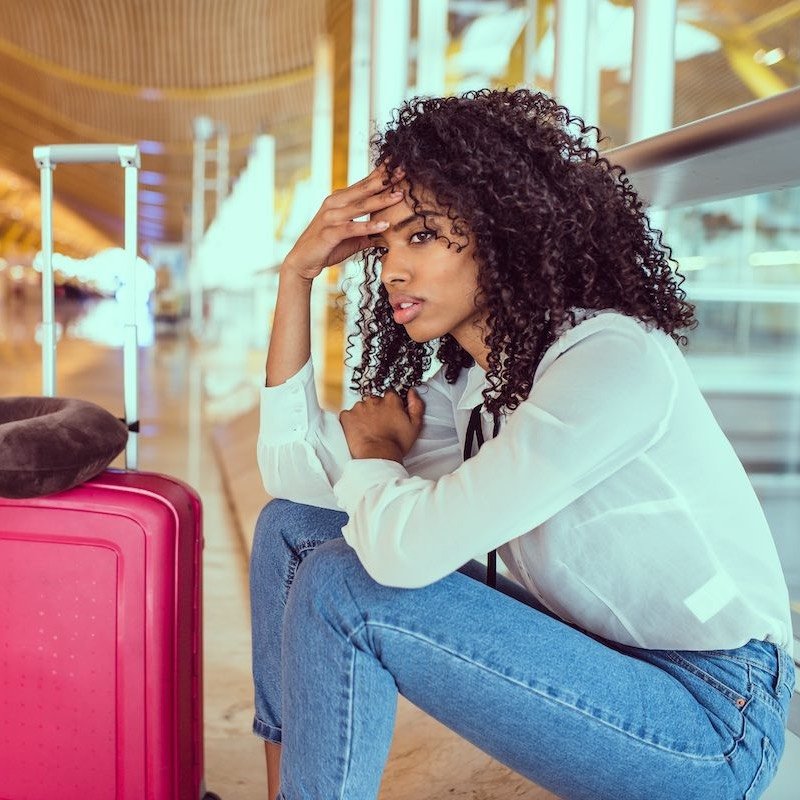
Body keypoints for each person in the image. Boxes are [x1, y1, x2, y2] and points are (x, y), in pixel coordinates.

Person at [250, 88, 794, 800]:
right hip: (602, 667)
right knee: (293, 531)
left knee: (346, 583)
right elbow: (291, 475)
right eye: (381, 248)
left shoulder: (610, 361)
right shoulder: (474, 389)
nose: (391, 271)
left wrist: (378, 460)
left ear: (502, 227)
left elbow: (403, 555)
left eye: (420, 236)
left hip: (715, 719)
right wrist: (297, 277)